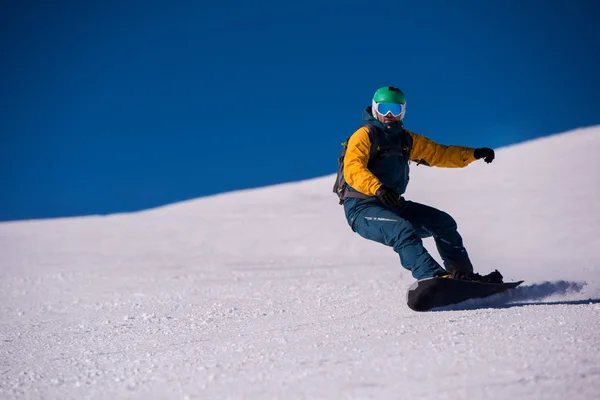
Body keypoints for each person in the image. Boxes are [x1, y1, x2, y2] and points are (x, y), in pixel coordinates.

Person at [341, 86, 502, 282]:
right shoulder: (365, 135)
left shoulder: (406, 139)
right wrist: (378, 188)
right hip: (362, 208)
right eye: (384, 109)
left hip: (393, 204)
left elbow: (437, 153)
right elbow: (353, 168)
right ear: (375, 109)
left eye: (395, 109)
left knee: (443, 223)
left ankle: (463, 276)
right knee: (401, 230)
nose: (390, 115)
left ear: (403, 111)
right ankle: (433, 277)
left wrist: (473, 154)